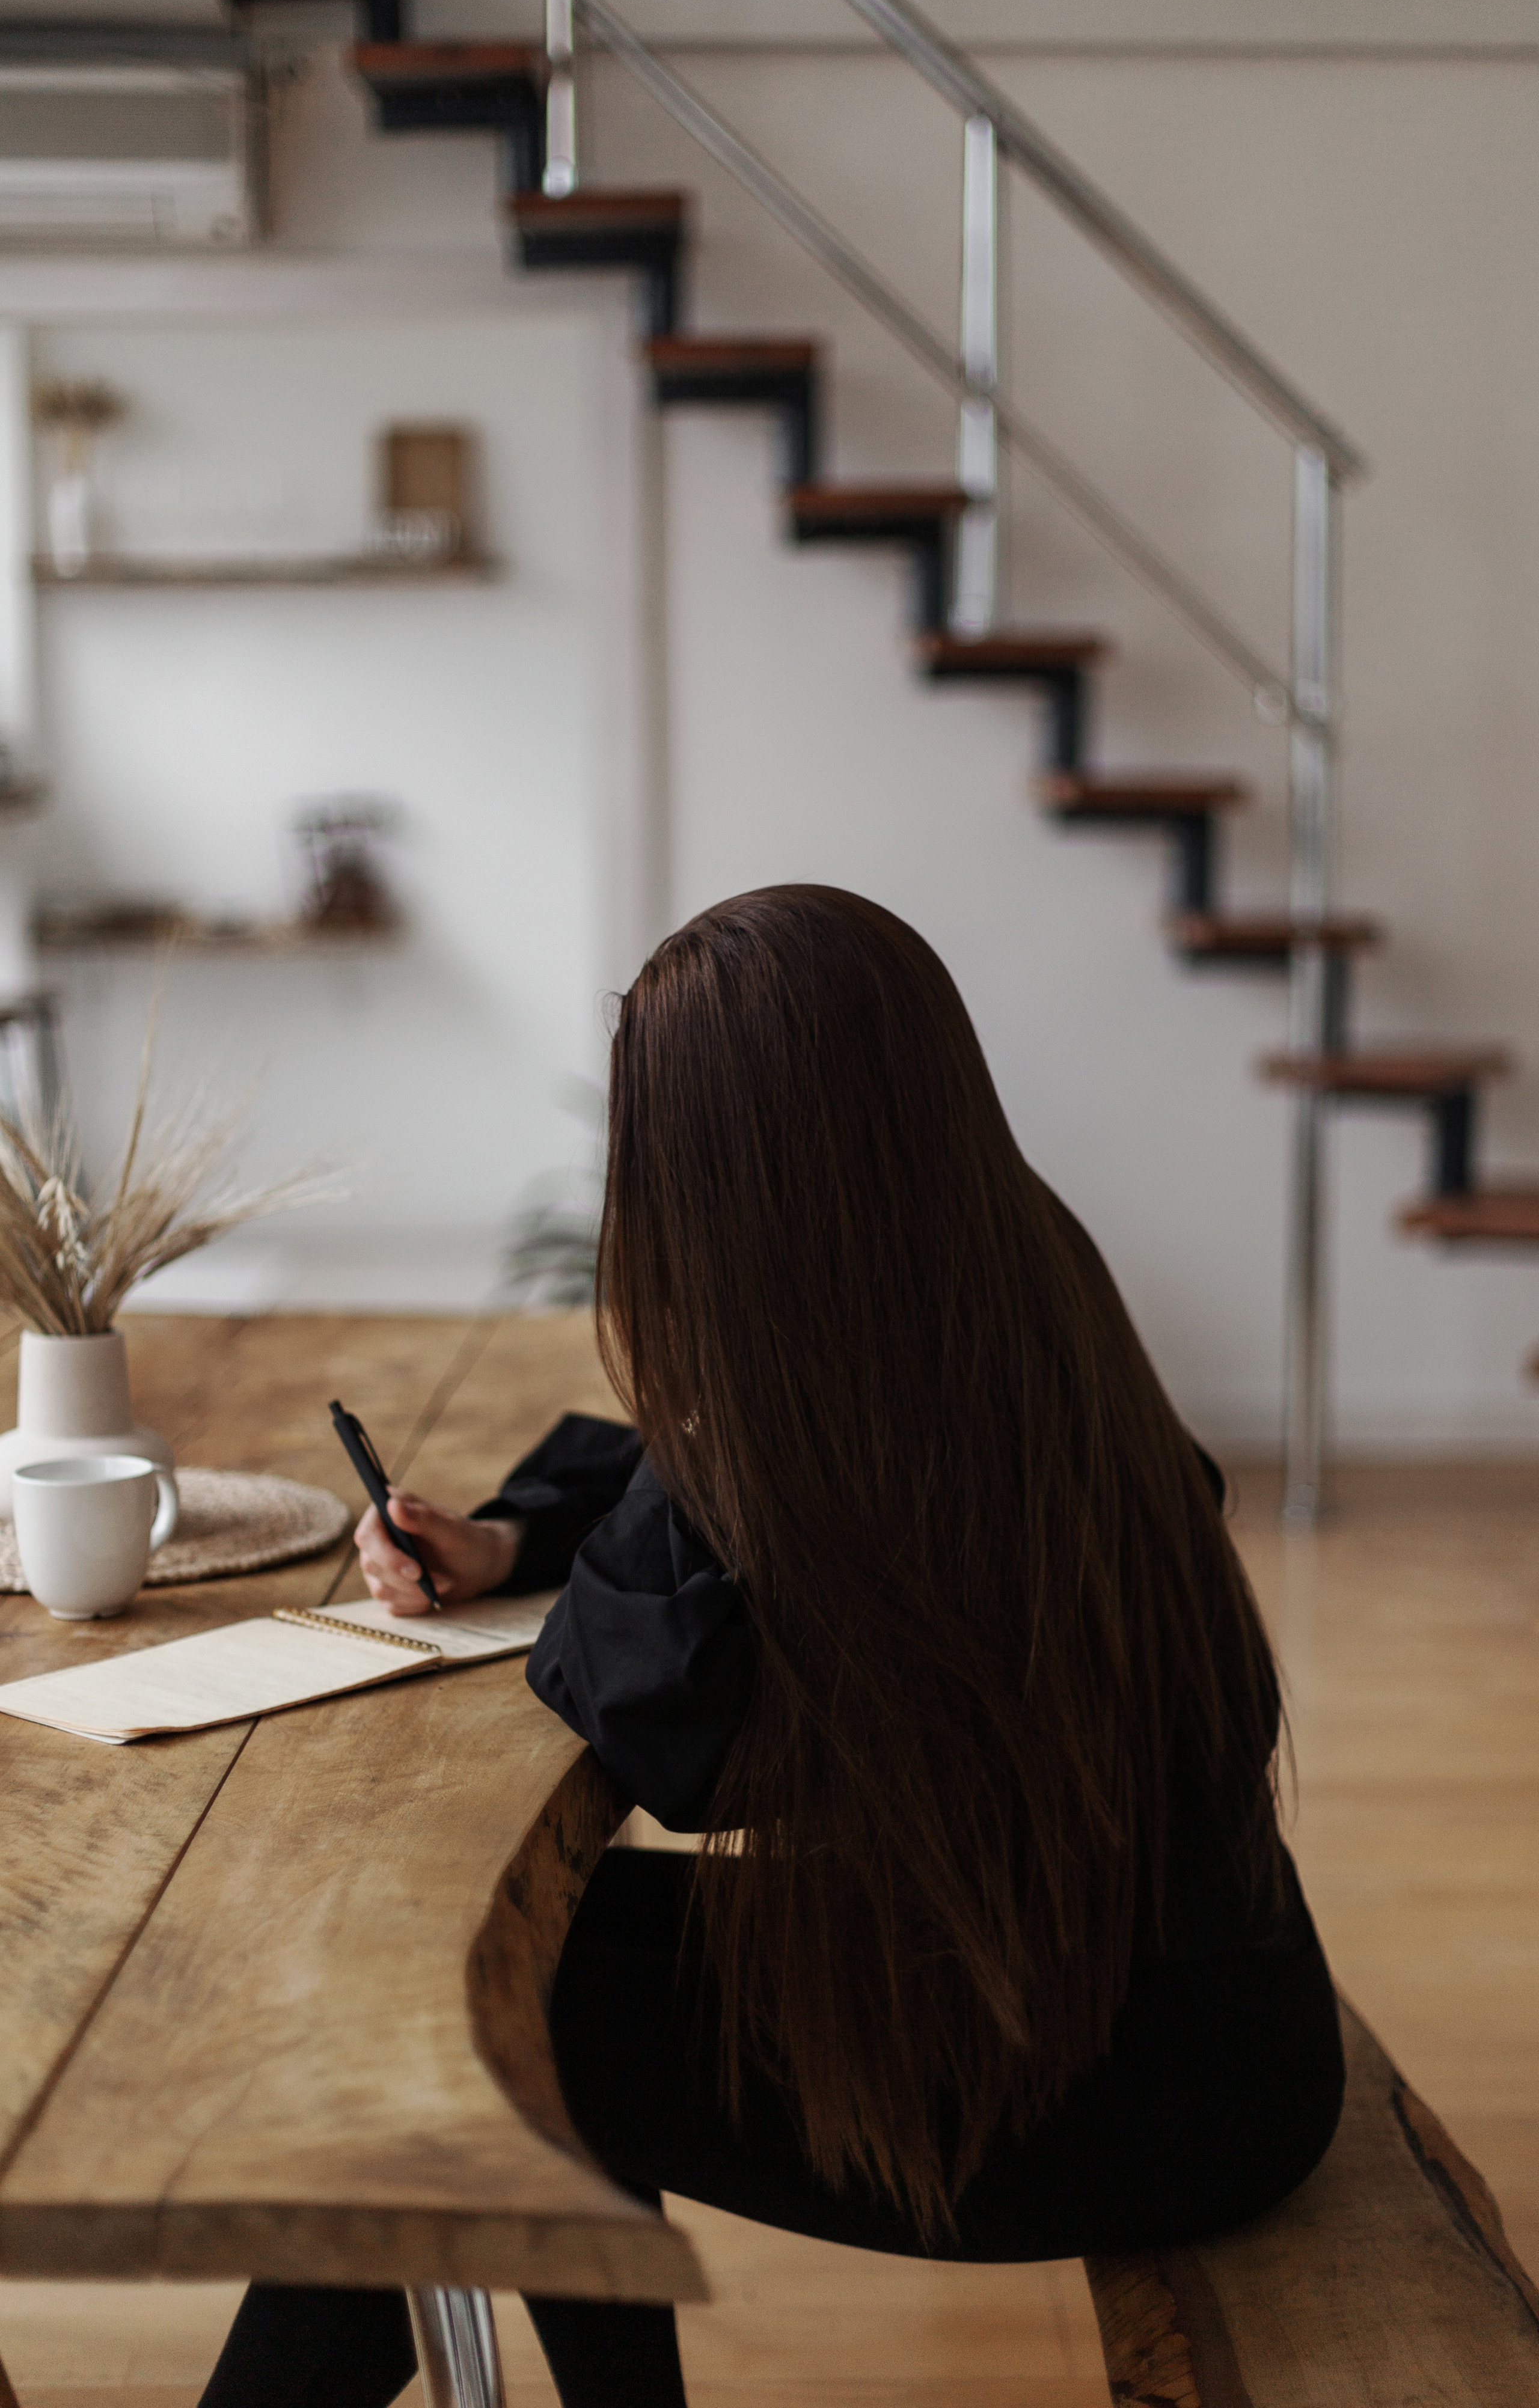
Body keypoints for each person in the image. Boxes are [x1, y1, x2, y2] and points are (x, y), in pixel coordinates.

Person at [199, 885, 1344, 2408]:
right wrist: (512, 1542)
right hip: (1191, 2004)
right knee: (514, 1973)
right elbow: (720, 1517)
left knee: (485, 2030)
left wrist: (616, 1506)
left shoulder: (831, 1378)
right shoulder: (987, 1272)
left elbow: (650, 1721)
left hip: (1114, 2094)